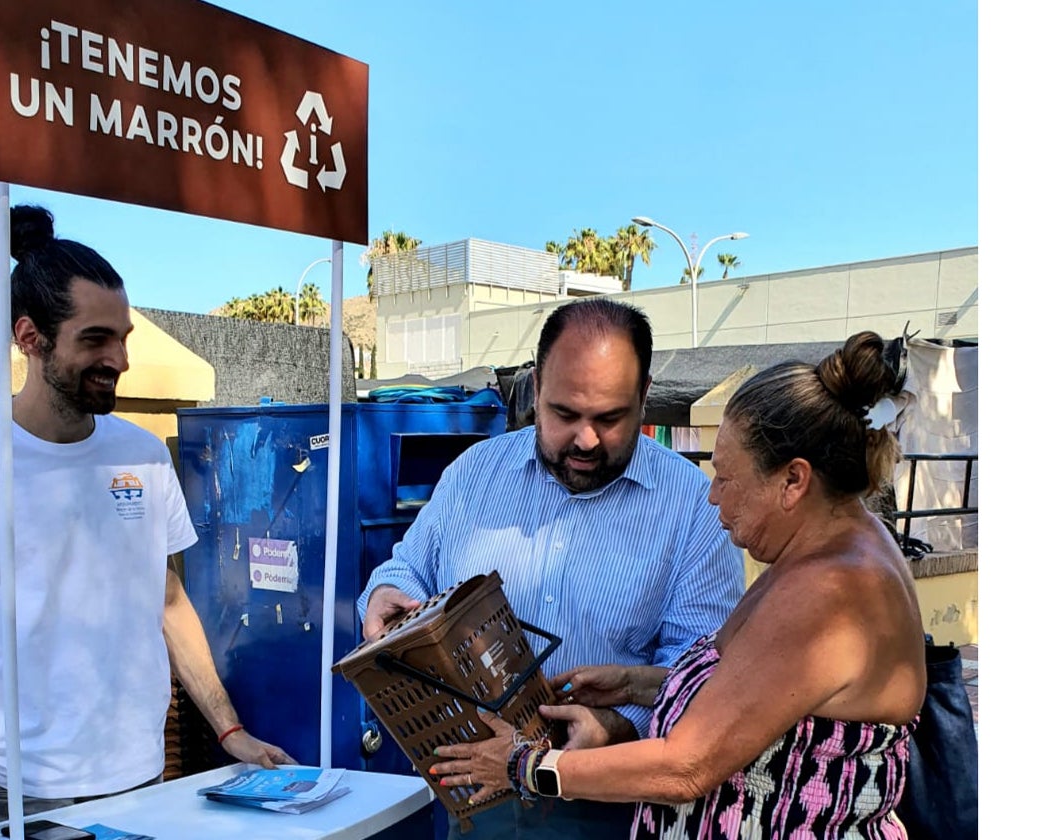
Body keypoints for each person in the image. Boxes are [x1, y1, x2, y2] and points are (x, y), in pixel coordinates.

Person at [429, 330, 927, 838]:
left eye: (728, 480)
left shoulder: (830, 594)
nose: (713, 497)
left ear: (793, 482)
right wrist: (636, 683)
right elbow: (753, 695)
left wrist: (524, 767)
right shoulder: (822, 555)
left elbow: (685, 767)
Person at [0, 205, 295, 840]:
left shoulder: (140, 454)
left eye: (124, 337)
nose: (120, 359)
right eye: (95, 340)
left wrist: (231, 730)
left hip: (138, 784)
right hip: (8, 795)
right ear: (30, 337)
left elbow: (168, 603)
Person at [358, 298, 746, 838]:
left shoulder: (694, 511)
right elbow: (407, 570)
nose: (586, 440)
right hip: (475, 799)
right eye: (565, 414)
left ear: (645, 396)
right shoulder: (473, 476)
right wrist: (385, 592)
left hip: (609, 805)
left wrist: (612, 727)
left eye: (610, 418)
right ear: (536, 388)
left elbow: (699, 680)